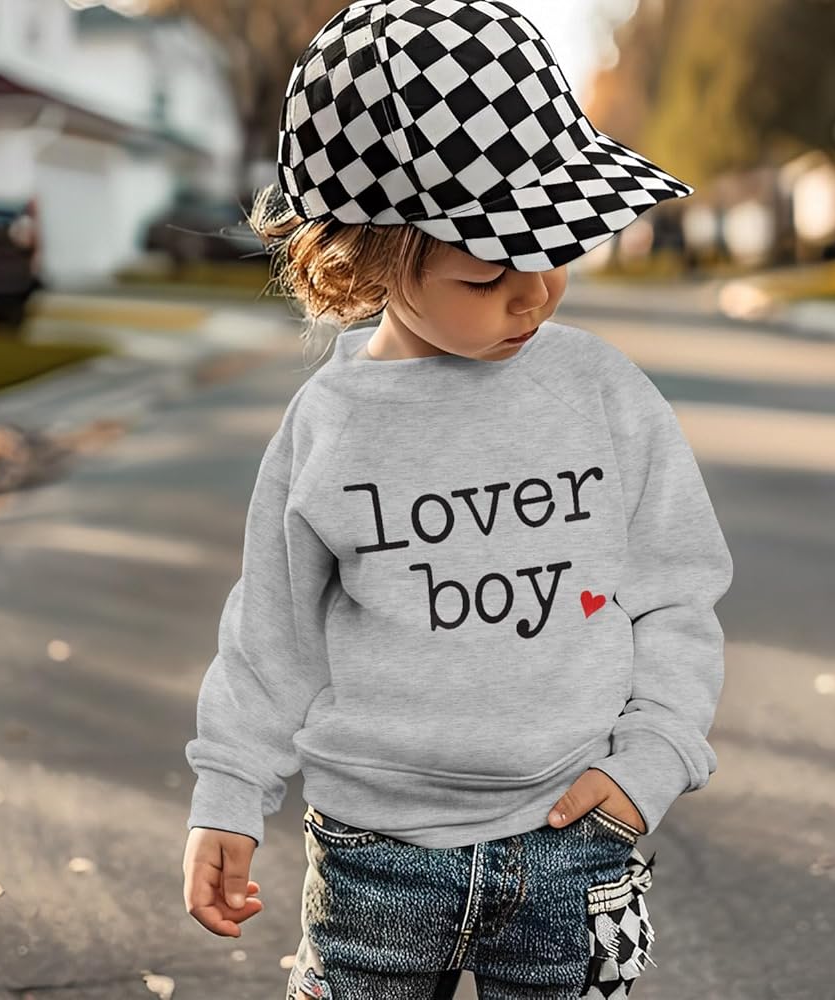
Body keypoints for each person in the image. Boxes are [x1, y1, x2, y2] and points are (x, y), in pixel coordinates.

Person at [181, 2, 734, 998]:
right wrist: (227, 790)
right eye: (486, 273)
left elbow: (675, 591)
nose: (535, 292)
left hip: (574, 841)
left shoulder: (601, 393)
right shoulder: (331, 424)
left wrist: (651, 759)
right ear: (364, 259)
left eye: (552, 247)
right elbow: (271, 631)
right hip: (375, 862)